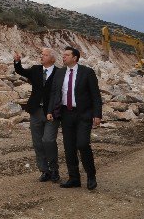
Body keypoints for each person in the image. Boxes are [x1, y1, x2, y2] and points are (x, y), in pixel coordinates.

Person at [47, 46, 103, 190]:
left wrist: (97, 114)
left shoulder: (87, 72)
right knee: (69, 147)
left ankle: (91, 176)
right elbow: (54, 94)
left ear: (75, 58)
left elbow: (95, 95)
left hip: (83, 114)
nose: (63, 57)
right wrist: (50, 110)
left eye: (66, 55)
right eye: (63, 55)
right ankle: (74, 178)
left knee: (83, 144)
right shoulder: (59, 73)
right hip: (66, 114)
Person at [13, 48, 61, 182]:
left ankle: (54, 169)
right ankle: (45, 171)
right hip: (35, 111)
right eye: (41, 54)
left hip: (51, 113)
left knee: (48, 141)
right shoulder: (35, 69)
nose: (42, 56)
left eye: (45, 55)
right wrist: (17, 62)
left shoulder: (59, 73)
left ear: (52, 58)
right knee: (38, 143)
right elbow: (20, 71)